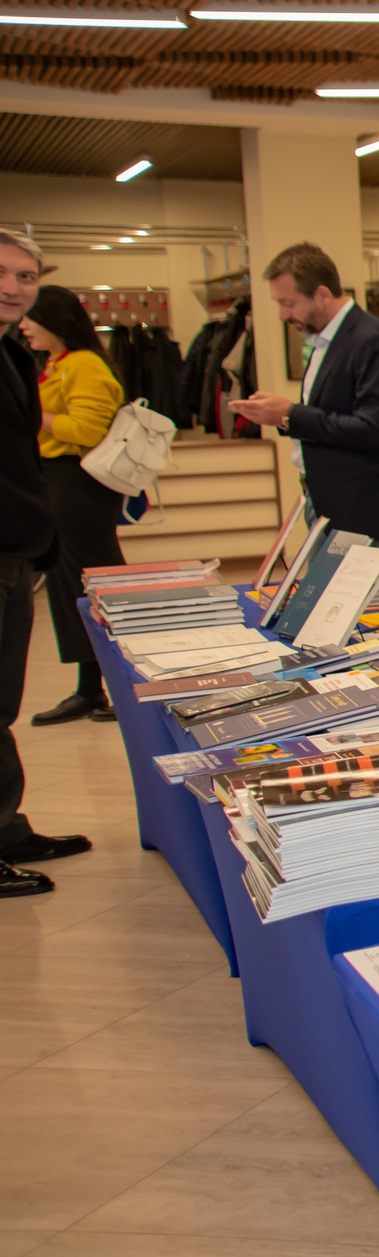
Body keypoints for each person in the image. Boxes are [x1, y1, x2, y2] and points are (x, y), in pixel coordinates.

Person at [0, 228, 93, 897]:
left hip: (17, 547)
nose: (14, 287)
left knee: (1, 699)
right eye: (5, 273)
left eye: (27, 277)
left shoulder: (13, 352)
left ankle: (6, 826)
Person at [232, 243, 379, 540]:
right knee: (321, 587)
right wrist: (281, 416)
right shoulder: (323, 340)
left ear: (322, 294)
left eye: (288, 303)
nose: (281, 315)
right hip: (327, 498)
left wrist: (290, 415)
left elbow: (375, 429)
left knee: (348, 588)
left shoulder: (374, 339)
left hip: (361, 505)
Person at [22, 286, 128, 725]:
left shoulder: (83, 364)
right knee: (72, 585)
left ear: (55, 321)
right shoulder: (56, 363)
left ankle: (122, 686)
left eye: (31, 318)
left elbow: (86, 429)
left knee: (95, 583)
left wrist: (30, 412)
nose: (23, 326)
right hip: (58, 481)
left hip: (80, 484)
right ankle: (91, 689)